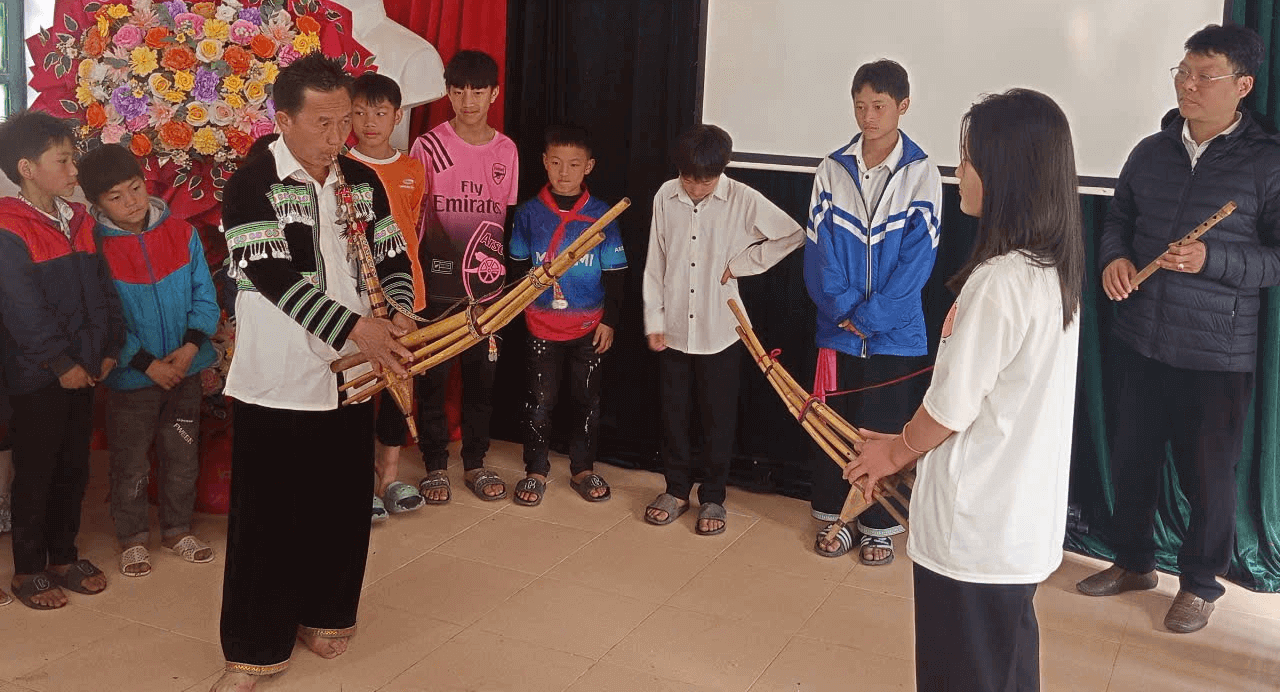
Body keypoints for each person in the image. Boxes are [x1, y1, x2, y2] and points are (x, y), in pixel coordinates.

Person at [843, 88, 1083, 692]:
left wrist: (893, 452)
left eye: (969, 160)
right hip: (1014, 522)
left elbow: (949, 410)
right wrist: (902, 443)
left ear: (1007, 174)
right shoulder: (1051, 268)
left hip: (976, 529)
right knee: (1003, 668)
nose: (958, 172)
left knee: (964, 675)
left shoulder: (1001, 280)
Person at [210, 54, 417, 692]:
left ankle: (327, 609)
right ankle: (253, 648)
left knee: (340, 503)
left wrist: (400, 309)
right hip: (278, 374)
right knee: (267, 514)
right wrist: (356, 327)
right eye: (322, 124)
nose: (337, 139)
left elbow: (390, 255)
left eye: (343, 123)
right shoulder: (251, 183)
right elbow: (271, 277)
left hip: (354, 374)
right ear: (283, 119)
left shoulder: (361, 179)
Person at [1077, 23, 1280, 634]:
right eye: (1183, 73)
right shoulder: (1150, 150)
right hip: (1142, 335)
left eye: (1205, 77)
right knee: (1133, 458)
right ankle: (1133, 562)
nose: (1188, 86)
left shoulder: (1267, 162)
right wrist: (1114, 258)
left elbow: (1276, 258)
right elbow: (1119, 219)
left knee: (1210, 476)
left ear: (1242, 86)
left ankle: (1199, 585)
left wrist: (1212, 260)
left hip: (1217, 351)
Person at [803, 59, 942, 566]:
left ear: (903, 106)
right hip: (837, 331)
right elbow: (818, 251)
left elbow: (918, 259)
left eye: (879, 106)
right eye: (860, 106)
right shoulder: (831, 168)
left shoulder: (922, 172)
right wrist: (843, 309)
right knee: (833, 427)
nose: (868, 116)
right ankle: (833, 520)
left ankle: (878, 525)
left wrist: (872, 316)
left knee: (883, 430)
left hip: (895, 333)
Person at [643, 124, 803, 535]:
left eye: (706, 181)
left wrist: (743, 264)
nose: (696, 189)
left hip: (723, 328)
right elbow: (655, 260)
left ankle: (713, 496)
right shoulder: (665, 195)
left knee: (718, 417)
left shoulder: (743, 199)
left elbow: (792, 234)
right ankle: (676, 490)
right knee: (672, 414)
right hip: (675, 325)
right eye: (689, 179)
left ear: (721, 170)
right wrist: (654, 319)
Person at [0, 110, 123, 609]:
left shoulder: (81, 221)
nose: (75, 172)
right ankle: (29, 567)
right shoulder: (9, 229)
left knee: (74, 467)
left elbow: (104, 290)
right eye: (64, 161)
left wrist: (110, 347)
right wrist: (59, 363)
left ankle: (63, 555)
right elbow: (21, 310)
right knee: (36, 470)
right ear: (27, 168)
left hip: (88, 366)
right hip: (39, 376)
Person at [79, 143, 220, 578]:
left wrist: (192, 347)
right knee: (131, 460)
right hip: (131, 378)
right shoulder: (94, 247)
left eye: (135, 188)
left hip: (187, 369)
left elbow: (205, 296)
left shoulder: (181, 232)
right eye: (115, 197)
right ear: (96, 204)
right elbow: (101, 316)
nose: (131, 202)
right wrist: (145, 364)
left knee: (182, 452)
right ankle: (133, 538)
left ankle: (178, 530)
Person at [408, 49, 519, 504]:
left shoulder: (507, 150)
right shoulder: (428, 146)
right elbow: (414, 218)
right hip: (436, 285)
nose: (468, 100)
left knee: (481, 382)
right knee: (431, 379)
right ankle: (434, 463)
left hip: (487, 290)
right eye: (458, 91)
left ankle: (476, 462)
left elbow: (502, 219)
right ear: (447, 92)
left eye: (477, 91)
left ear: (494, 93)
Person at [508, 124, 627, 506]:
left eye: (574, 164)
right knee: (539, 400)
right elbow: (514, 267)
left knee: (586, 400)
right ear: (543, 162)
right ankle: (536, 469)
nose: (564, 172)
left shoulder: (602, 215)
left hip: (588, 326)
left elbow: (617, 273)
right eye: (556, 163)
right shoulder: (529, 213)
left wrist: (610, 319)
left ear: (588, 166)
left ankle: (583, 468)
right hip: (540, 325)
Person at [347, 71, 428, 521]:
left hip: (407, 296)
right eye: (359, 112)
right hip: (357, 302)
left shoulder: (413, 168)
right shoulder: (340, 166)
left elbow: (413, 228)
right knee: (360, 390)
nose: (370, 121)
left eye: (380, 113)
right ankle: (361, 484)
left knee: (400, 385)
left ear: (397, 116)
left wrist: (406, 301)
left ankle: (391, 478)